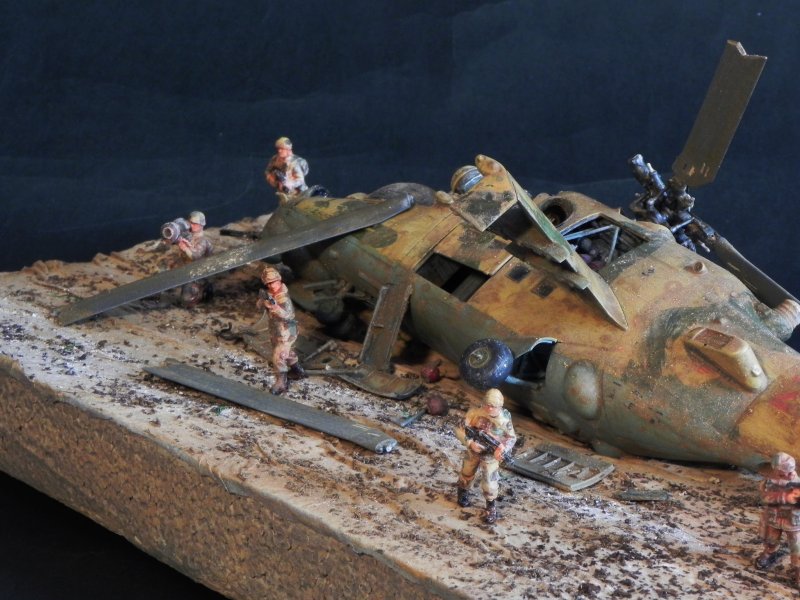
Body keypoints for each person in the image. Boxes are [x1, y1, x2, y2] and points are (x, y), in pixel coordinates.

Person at [455, 388, 517, 524]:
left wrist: (502, 449)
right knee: (467, 472)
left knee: (490, 482)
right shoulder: (475, 412)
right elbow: (459, 429)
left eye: (493, 406)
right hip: (473, 451)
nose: (489, 408)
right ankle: (463, 492)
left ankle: (490, 506)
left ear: (500, 406)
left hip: (490, 456)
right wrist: (470, 443)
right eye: (487, 404)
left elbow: (511, 438)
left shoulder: (504, 419)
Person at [257, 266, 306, 394]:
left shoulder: (283, 297)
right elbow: (259, 306)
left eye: (273, 282)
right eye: (268, 283)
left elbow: (289, 315)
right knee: (286, 353)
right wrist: (263, 302)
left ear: (279, 280)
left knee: (279, 356)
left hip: (287, 330)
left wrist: (275, 308)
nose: (271, 285)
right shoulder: (270, 294)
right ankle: (297, 371)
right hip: (276, 329)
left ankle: (281, 383)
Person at [756, 452, 800, 588]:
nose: (789, 474)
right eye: (782, 472)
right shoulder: (769, 481)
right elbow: (764, 496)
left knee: (796, 546)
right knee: (771, 539)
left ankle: (798, 569)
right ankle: (768, 554)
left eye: (789, 471)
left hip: (793, 521)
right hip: (774, 519)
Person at [176, 211, 213, 307]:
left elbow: (196, 256)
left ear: (201, 225)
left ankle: (203, 289)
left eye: (195, 223)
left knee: (186, 299)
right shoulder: (189, 236)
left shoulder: (203, 241)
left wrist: (185, 248)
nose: (191, 225)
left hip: (198, 273)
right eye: (191, 223)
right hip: (186, 269)